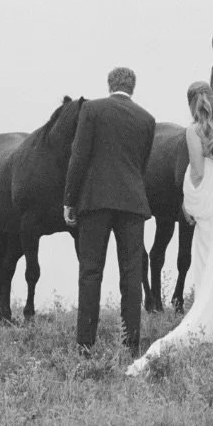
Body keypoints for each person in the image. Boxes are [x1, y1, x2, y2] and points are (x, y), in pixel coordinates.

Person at [126, 81, 213, 377]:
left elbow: (197, 172)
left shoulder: (193, 131)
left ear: (190, 105)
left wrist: (191, 203)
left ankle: (209, 324)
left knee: (209, 263)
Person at [63, 66, 157, 357]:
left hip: (96, 201)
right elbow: (141, 165)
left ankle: (85, 345)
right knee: (131, 275)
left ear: (109, 85)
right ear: (133, 87)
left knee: (91, 272)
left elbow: (78, 157)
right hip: (132, 202)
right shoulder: (147, 119)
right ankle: (131, 346)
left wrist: (69, 200)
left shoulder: (92, 110)